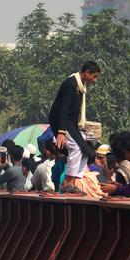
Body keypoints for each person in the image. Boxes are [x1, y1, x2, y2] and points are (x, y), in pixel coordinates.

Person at [48, 61, 101, 192]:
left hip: (71, 123)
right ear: (87, 72)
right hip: (63, 122)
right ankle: (66, 182)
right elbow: (63, 109)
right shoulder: (70, 84)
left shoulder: (80, 87)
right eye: (94, 76)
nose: (94, 80)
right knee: (76, 148)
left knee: (86, 151)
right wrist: (61, 131)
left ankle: (73, 181)